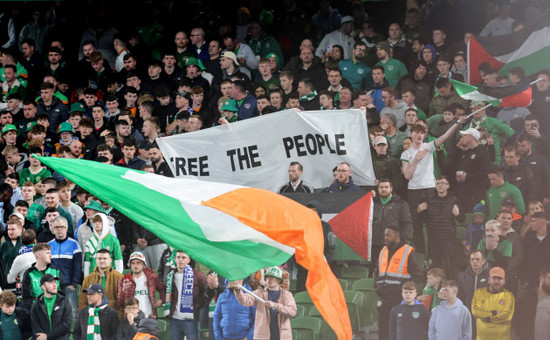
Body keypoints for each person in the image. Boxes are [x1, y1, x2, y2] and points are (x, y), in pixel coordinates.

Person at [402, 116, 466, 254]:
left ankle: (433, 254)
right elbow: (407, 175)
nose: (419, 135)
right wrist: (416, 160)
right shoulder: (406, 153)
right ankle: (420, 256)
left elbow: (445, 136)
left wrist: (457, 123)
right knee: (417, 224)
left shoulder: (428, 147)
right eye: (416, 132)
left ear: (424, 135)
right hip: (414, 191)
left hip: (429, 188)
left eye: (421, 133)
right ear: (411, 134)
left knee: (432, 221)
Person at [374, 226, 423, 340]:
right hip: (383, 300)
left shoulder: (407, 251)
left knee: (398, 333)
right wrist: (376, 285)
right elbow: (376, 271)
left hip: (398, 301)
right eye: (385, 235)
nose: (385, 238)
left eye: (388, 235)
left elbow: (418, 275)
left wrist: (403, 289)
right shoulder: (383, 250)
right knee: (384, 333)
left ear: (397, 236)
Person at [417, 175, 462, 276]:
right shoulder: (429, 200)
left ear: (448, 186)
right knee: (434, 267)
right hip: (433, 239)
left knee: (450, 266)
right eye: (437, 183)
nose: (440, 186)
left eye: (443, 183)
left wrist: (458, 214)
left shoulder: (454, 200)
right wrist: (419, 212)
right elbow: (424, 219)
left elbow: (462, 219)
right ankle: (434, 290)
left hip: (448, 239)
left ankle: (451, 287)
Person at [235, 266, 297, 339]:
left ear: (279, 280)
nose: (269, 279)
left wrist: (275, 305)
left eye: (272, 277)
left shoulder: (287, 295)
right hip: (262, 336)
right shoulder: (259, 293)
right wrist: (238, 291)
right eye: (267, 277)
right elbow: (245, 301)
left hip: (282, 336)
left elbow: (292, 312)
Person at [166, 250, 206, 340]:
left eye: (183, 258)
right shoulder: (171, 276)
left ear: (188, 260)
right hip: (175, 319)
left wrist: (197, 306)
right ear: (175, 259)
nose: (180, 260)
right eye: (178, 257)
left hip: (191, 320)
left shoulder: (198, 275)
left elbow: (205, 294)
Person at [371, 178, 412, 266]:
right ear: (378, 189)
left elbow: (407, 223)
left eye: (386, 187)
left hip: (393, 244)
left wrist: (402, 240)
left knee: (391, 268)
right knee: (375, 270)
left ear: (391, 188)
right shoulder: (371, 203)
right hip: (375, 244)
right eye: (381, 187)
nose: (384, 189)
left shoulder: (401, 204)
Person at [47, 216, 81, 318]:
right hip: (53, 287)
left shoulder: (74, 245)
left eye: (62, 227)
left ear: (66, 228)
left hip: (68, 286)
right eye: (57, 227)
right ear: (52, 228)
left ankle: (73, 334)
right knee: (54, 314)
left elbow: (78, 267)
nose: (59, 229)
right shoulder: (48, 245)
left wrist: (73, 284)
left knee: (72, 312)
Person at [117, 252, 165, 319]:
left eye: (138, 262)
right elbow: (120, 303)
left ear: (143, 264)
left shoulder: (152, 277)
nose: (135, 265)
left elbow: (163, 289)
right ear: (130, 265)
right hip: (131, 319)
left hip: (149, 317)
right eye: (133, 263)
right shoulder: (124, 280)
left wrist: (161, 300)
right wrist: (123, 291)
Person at [471, 267, 515, 340]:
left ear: (504, 281)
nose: (497, 281)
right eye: (494, 278)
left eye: (500, 278)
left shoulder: (508, 296)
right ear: (489, 280)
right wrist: (493, 313)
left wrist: (487, 318)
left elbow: (507, 316)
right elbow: (475, 311)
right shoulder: (479, 293)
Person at [21, 243, 64, 312]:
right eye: (47, 253)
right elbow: (26, 298)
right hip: (37, 313)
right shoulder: (29, 274)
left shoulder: (55, 271)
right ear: (39, 255)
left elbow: (62, 293)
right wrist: (36, 310)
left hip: (56, 311)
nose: (51, 255)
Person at [79, 248, 123, 316]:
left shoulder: (119, 277)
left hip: (113, 317)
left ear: (110, 260)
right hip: (93, 316)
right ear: (96, 260)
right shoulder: (88, 278)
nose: (102, 261)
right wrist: (83, 317)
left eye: (105, 258)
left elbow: (122, 301)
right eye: (99, 258)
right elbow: (83, 300)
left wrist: (119, 318)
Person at [30, 274, 72, 340]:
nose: (55, 285)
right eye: (50, 282)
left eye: (55, 282)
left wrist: (47, 336)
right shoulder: (36, 305)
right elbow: (35, 327)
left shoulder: (64, 302)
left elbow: (66, 326)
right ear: (43, 287)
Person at [514, 267, 550, 340]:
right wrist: (521, 334)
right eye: (549, 278)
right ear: (541, 278)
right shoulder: (528, 297)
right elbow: (517, 315)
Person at [522, 212, 550, 288]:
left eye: (534, 221)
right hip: (531, 280)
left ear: (542, 223)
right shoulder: (528, 239)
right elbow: (524, 259)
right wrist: (524, 279)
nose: (531, 223)